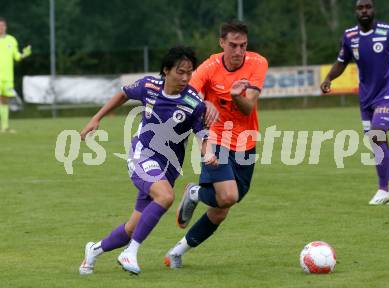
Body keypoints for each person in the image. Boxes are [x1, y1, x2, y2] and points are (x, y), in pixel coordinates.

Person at [78, 46, 218, 275]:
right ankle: (130, 253)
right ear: (166, 70)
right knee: (165, 196)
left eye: (189, 72)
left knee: (132, 228)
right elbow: (123, 94)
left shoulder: (193, 103)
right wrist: (96, 118)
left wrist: (209, 152)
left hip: (168, 168)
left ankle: (94, 249)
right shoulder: (148, 86)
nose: (185, 78)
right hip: (142, 155)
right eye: (180, 72)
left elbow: (203, 136)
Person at [164, 20, 268, 268]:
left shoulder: (258, 63)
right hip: (216, 139)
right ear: (222, 43)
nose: (238, 51)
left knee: (223, 207)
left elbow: (248, 106)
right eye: (233, 45)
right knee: (228, 195)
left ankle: (177, 251)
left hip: (246, 140)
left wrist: (236, 95)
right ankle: (196, 192)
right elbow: (187, 97)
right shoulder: (208, 68)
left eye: (243, 45)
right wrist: (203, 105)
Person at [320, 0, 389, 205]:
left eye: (368, 7)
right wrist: (328, 78)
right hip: (365, 99)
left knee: (376, 136)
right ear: (356, 11)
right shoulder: (349, 36)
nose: (364, 11)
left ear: (374, 9)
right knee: (378, 144)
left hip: (387, 95)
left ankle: (383, 189)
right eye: (360, 7)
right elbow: (342, 62)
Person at [0, 17, 31, 133]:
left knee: (4, 101)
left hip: (7, 77)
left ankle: (4, 127)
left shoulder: (12, 40)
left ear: (5, 27)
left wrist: (24, 54)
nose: (0, 28)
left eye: (2, 26)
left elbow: (17, 57)